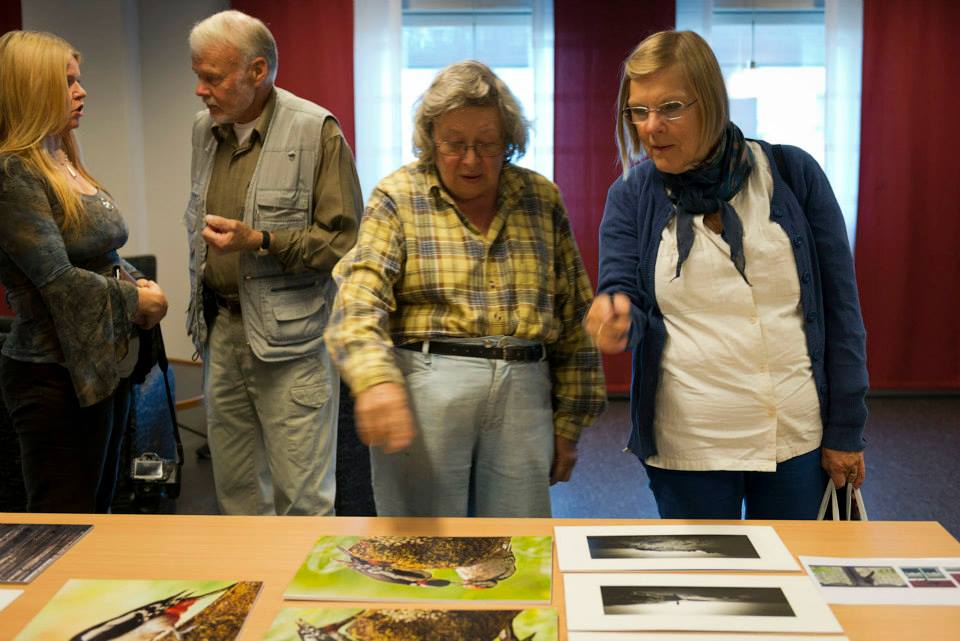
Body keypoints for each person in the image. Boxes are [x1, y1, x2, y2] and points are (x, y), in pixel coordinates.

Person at [584, 31, 868, 519]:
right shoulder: (632, 195)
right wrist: (616, 316)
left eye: (671, 107)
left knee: (796, 581)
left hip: (793, 435)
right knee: (703, 588)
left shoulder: (791, 174)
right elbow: (621, 291)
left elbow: (842, 313)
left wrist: (846, 429)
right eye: (638, 110)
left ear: (711, 102)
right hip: (688, 440)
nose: (651, 127)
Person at [324, 60, 606, 518]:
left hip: (524, 389)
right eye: (455, 144)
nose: (471, 160)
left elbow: (575, 314)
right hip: (427, 387)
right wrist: (375, 381)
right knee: (423, 551)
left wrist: (570, 422)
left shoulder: (541, 198)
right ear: (431, 138)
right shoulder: (398, 196)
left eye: (487, 144)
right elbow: (359, 297)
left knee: (517, 550)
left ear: (510, 142)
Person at [185, 10, 361, 516]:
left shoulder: (317, 131)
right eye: (197, 75)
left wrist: (261, 239)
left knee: (302, 500)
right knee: (236, 495)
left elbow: (344, 242)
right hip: (222, 332)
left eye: (212, 77)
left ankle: (306, 596)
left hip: (293, 341)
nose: (200, 89)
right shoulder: (204, 131)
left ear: (257, 71)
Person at [0, 31, 168, 512]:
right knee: (62, 525)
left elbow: (100, 256)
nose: (82, 91)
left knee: (99, 517)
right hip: (51, 374)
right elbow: (58, 281)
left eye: (79, 80)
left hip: (98, 363)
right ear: (33, 89)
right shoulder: (14, 173)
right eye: (68, 82)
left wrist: (137, 281)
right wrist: (141, 302)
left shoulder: (64, 158)